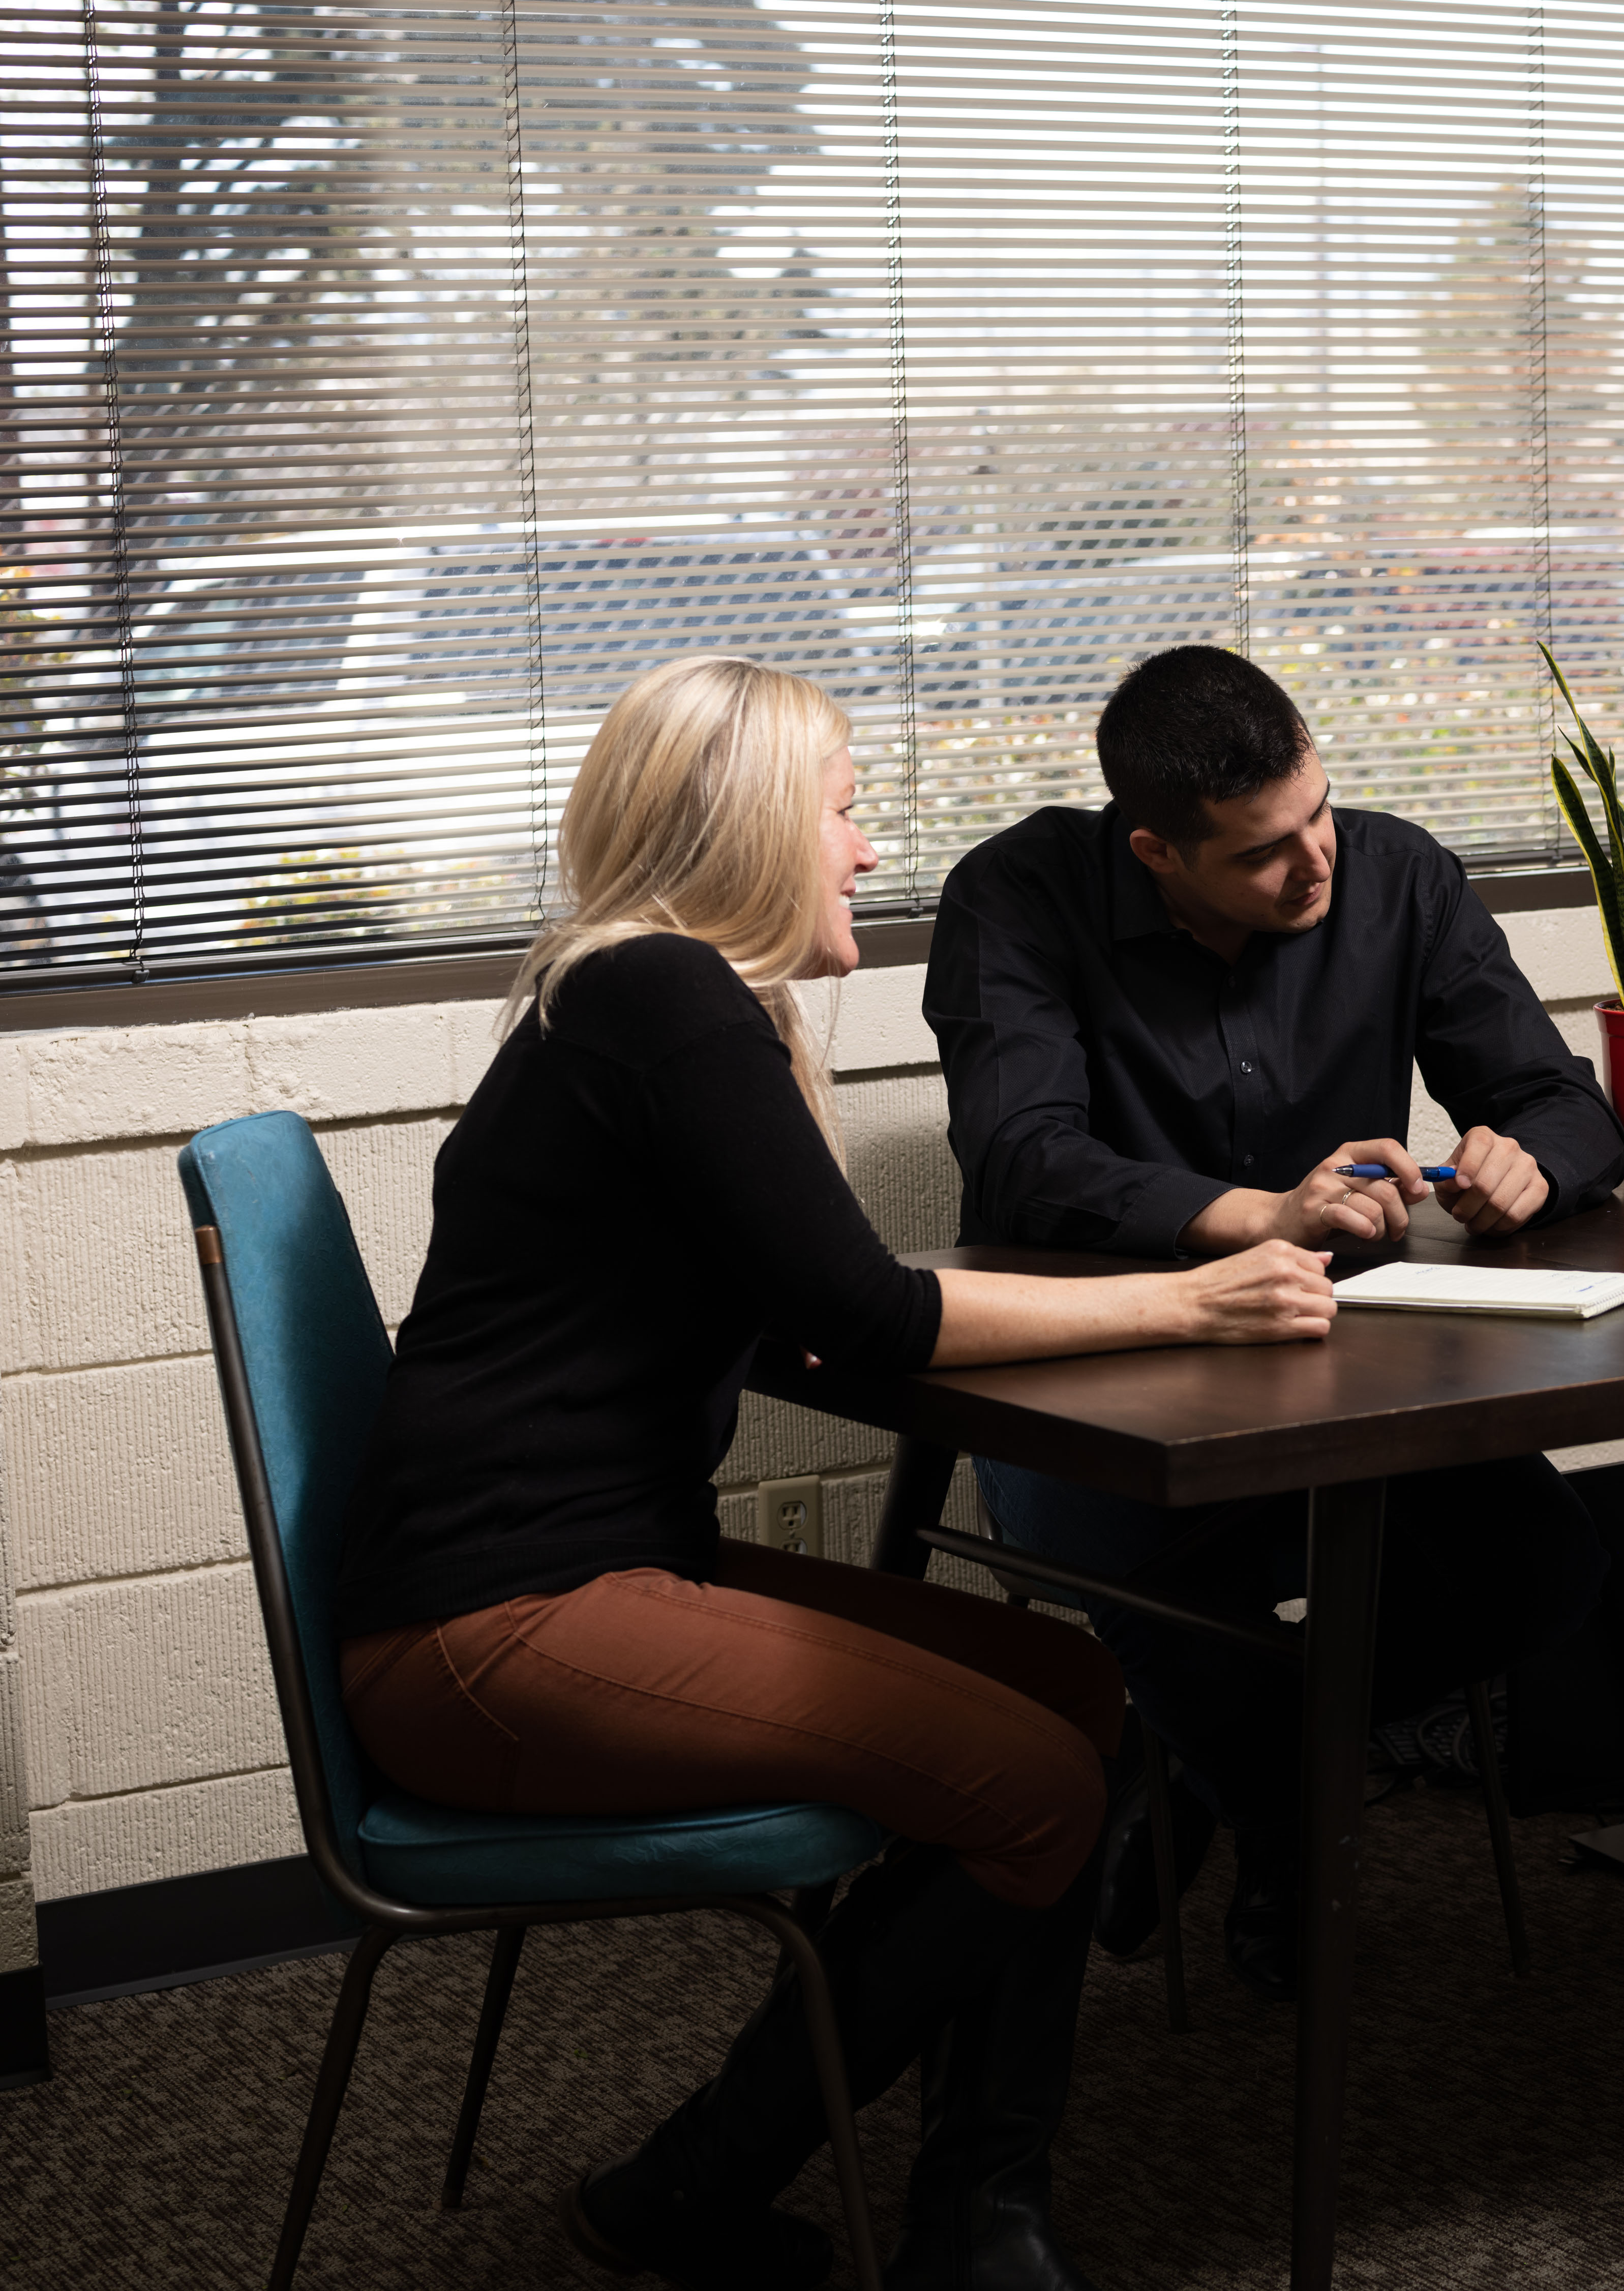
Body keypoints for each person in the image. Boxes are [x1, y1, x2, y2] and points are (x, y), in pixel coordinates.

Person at [337, 654, 1338, 2291]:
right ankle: (709, 2186)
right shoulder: (665, 1002)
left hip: (571, 1573)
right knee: (1043, 1788)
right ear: (746, 832)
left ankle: (969, 2205)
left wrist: (1145, 1302)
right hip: (496, 1628)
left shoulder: (651, 1003)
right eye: (848, 811)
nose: (868, 852)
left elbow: (813, 1323)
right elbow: (860, 1318)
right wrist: (1191, 1298)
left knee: (1073, 1692)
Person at [925, 643, 1624, 2001]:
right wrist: (1243, 1212)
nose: (1317, 865)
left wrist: (1530, 1156)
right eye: (1265, 853)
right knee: (1161, 1586)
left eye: (1320, 816)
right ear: (1155, 851)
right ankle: (1284, 1824)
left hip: (1335, 1369)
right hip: (1092, 1369)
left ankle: (1208, 1776)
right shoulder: (1017, 897)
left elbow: (1562, 1099)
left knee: (1543, 1565)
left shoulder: (1395, 872)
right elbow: (1022, 1161)